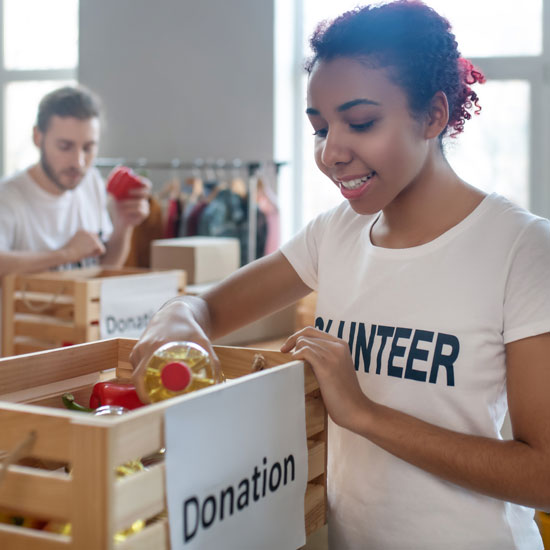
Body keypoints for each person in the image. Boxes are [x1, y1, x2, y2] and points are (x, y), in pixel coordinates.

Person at [130, 2, 550, 548]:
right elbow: (207, 308)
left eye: (361, 122)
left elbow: (542, 477)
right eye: (320, 128)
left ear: (433, 116)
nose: (331, 153)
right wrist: (175, 316)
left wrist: (363, 414)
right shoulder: (334, 235)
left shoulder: (522, 247)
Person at [0, 86, 150, 276]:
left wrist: (123, 225)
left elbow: (102, 269)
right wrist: (66, 254)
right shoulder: (7, 197)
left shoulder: (91, 182)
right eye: (65, 147)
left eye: (88, 148)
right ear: (38, 137)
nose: (78, 162)